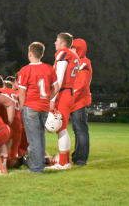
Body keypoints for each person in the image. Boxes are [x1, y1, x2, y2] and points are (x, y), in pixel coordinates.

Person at [18, 42, 59, 173]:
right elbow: (57, 87)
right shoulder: (49, 68)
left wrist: (22, 106)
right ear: (41, 54)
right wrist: (48, 97)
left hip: (31, 106)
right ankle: (40, 163)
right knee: (40, 136)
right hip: (44, 106)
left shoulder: (25, 70)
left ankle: (36, 167)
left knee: (34, 138)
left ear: (30, 54)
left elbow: (22, 91)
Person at [47, 32, 80, 170]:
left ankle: (63, 163)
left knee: (59, 127)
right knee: (62, 127)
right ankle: (64, 161)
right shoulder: (74, 56)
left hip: (63, 92)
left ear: (62, 43)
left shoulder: (63, 54)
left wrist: (52, 98)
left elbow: (59, 78)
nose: (55, 43)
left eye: (56, 40)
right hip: (69, 91)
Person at [70, 38, 92, 166]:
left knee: (80, 130)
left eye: (73, 48)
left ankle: (81, 158)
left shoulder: (84, 62)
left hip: (80, 101)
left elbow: (80, 85)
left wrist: (70, 98)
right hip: (76, 101)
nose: (71, 50)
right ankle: (77, 155)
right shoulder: (77, 62)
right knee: (77, 130)